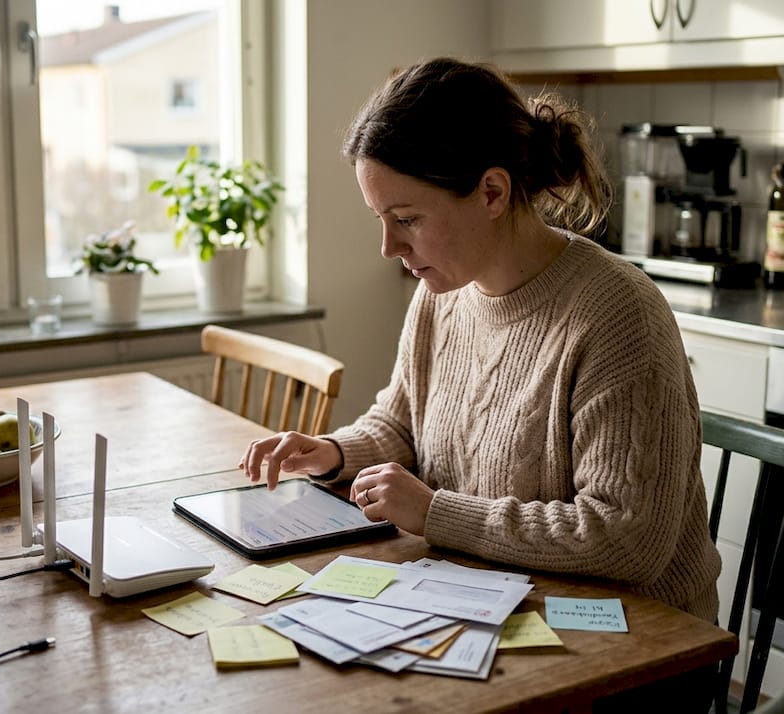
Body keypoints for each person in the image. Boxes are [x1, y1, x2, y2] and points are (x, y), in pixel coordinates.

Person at [240, 57, 721, 633]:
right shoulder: (443, 290)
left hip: (632, 642)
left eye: (408, 218)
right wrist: (333, 453)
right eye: (380, 218)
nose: (389, 246)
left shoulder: (618, 315)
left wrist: (435, 514)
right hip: (490, 602)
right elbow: (400, 426)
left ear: (492, 192)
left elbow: (624, 539)